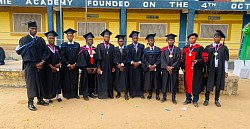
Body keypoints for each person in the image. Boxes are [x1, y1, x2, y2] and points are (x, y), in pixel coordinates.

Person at [16, 21, 50, 111]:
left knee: (40, 82)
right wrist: (35, 64)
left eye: (35, 29)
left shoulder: (40, 40)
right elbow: (24, 54)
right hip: (30, 66)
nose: (34, 30)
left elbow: (46, 52)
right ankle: (30, 102)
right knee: (31, 84)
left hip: (40, 65)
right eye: (32, 29)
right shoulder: (23, 40)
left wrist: (42, 62)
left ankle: (40, 99)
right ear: (28, 29)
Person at [203, 30, 229, 107]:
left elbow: (225, 60)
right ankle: (206, 99)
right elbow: (205, 60)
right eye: (215, 37)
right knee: (208, 83)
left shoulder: (224, 48)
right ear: (213, 38)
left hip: (220, 69)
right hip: (210, 69)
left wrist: (226, 71)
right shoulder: (208, 47)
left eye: (218, 37)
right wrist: (205, 70)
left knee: (218, 84)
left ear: (220, 38)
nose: (216, 38)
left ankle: (216, 100)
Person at [182, 33, 207, 107]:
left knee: (196, 85)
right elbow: (183, 59)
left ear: (196, 39)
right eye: (190, 38)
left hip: (196, 70)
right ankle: (188, 99)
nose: (191, 40)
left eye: (193, 38)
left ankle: (195, 100)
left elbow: (205, 59)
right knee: (187, 84)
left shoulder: (200, 48)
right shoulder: (186, 48)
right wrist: (183, 67)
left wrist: (198, 61)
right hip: (187, 70)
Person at [77, 32, 98, 101]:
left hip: (93, 69)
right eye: (89, 39)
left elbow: (97, 58)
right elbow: (81, 59)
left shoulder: (95, 49)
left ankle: (91, 93)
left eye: (91, 40)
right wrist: (86, 68)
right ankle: (85, 94)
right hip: (86, 69)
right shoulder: (82, 49)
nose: (90, 41)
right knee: (85, 81)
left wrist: (96, 67)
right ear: (86, 40)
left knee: (92, 81)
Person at [161, 34, 181, 104]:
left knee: (174, 83)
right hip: (165, 70)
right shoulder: (163, 49)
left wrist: (172, 67)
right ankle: (164, 96)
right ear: (167, 41)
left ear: (174, 41)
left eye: (172, 40)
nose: (171, 41)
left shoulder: (177, 49)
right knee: (164, 83)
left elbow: (178, 59)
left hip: (174, 70)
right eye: (169, 40)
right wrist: (167, 67)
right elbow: (162, 59)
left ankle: (173, 98)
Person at [61, 28, 80, 99]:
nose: (70, 37)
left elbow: (79, 55)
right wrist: (68, 64)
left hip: (75, 66)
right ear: (66, 37)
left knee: (75, 80)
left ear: (73, 36)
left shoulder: (77, 45)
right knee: (66, 80)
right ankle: (67, 95)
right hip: (66, 67)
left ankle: (75, 94)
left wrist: (75, 64)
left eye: (71, 36)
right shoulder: (63, 45)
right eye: (68, 36)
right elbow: (62, 56)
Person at [43, 30, 62, 103]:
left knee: (57, 81)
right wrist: (51, 66)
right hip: (48, 69)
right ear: (47, 39)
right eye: (50, 38)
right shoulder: (46, 48)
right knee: (49, 82)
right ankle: (48, 97)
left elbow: (61, 57)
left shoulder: (57, 48)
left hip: (57, 68)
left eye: (53, 38)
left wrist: (60, 63)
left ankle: (58, 95)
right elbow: (45, 58)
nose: (51, 39)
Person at [96, 29, 115, 99]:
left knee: (110, 80)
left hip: (110, 67)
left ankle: (110, 94)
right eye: (106, 37)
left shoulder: (112, 46)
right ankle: (102, 95)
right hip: (102, 66)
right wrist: (98, 67)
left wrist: (113, 67)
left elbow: (114, 58)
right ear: (103, 37)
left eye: (108, 37)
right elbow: (98, 58)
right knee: (102, 80)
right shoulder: (99, 46)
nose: (107, 38)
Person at [142, 33, 161, 101]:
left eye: (152, 40)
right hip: (148, 69)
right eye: (149, 41)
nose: (150, 42)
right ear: (147, 41)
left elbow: (159, 59)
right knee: (149, 82)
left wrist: (155, 65)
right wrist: (149, 66)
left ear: (154, 41)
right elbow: (144, 60)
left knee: (156, 81)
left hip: (156, 68)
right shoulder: (145, 50)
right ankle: (150, 94)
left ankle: (157, 95)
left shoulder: (158, 49)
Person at [127, 31, 145, 99]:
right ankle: (132, 93)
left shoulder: (141, 46)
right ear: (132, 39)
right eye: (134, 38)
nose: (135, 39)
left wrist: (139, 62)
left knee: (140, 79)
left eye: (136, 38)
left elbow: (143, 56)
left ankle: (140, 93)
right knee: (132, 80)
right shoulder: (129, 47)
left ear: (138, 38)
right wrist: (132, 62)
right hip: (132, 66)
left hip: (139, 66)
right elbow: (128, 56)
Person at [113, 34, 129, 100]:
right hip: (117, 67)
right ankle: (118, 93)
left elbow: (128, 58)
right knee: (118, 80)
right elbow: (114, 57)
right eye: (120, 41)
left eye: (122, 41)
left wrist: (122, 64)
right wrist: (118, 64)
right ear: (118, 42)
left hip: (125, 67)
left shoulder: (126, 49)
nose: (121, 42)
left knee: (125, 80)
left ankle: (126, 93)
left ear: (124, 42)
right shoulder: (115, 49)